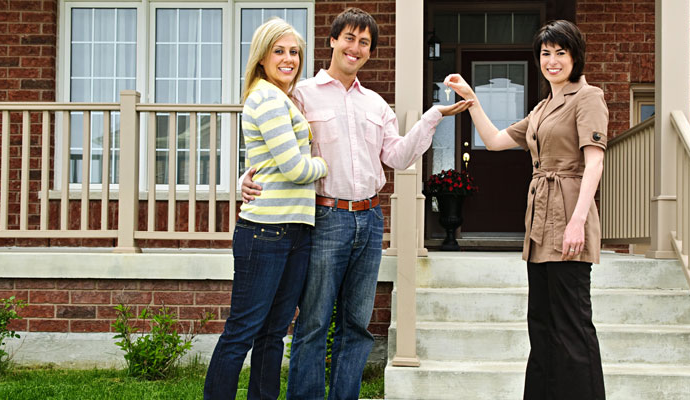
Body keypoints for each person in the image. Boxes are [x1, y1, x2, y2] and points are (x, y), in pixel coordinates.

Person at [241, 8, 472, 399]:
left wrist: (433, 116)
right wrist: (245, 177)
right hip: (325, 216)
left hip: (369, 220)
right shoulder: (299, 94)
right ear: (332, 41)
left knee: (356, 324)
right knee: (313, 322)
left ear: (369, 52)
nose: (356, 47)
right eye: (349, 38)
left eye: (364, 42)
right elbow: (268, 141)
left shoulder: (376, 105)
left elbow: (398, 157)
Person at [444, 19, 607, 400]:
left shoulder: (588, 97)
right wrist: (473, 100)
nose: (552, 61)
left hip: (567, 212)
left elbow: (594, 163)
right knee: (542, 325)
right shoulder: (542, 106)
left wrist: (576, 223)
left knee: (572, 325)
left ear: (575, 56)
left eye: (560, 53)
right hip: (540, 221)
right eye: (545, 54)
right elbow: (496, 140)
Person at [203, 18, 328, 400]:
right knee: (242, 331)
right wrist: (324, 164)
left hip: (293, 230)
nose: (288, 59)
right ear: (262, 58)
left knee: (273, 334)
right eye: (279, 51)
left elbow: (271, 163)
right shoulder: (267, 97)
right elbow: (294, 168)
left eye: (294, 52)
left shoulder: (283, 97)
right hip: (266, 232)